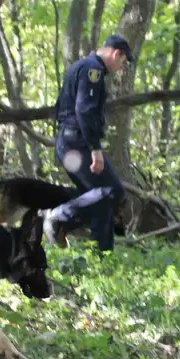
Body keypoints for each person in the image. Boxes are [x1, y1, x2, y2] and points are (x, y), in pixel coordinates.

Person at [40, 34, 133, 252]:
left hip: (68, 141)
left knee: (101, 200)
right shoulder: (94, 70)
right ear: (116, 54)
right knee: (112, 190)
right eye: (123, 61)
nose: (122, 67)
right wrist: (95, 149)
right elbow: (85, 111)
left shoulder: (80, 66)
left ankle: (104, 257)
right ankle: (56, 216)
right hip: (77, 142)